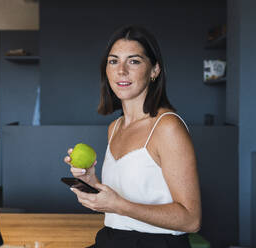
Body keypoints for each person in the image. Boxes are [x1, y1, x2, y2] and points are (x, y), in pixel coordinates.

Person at [64, 25, 201, 248]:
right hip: (113, 239)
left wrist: (119, 205)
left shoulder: (167, 127)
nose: (121, 71)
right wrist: (91, 182)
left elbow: (191, 220)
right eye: (114, 61)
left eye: (134, 61)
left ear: (154, 70)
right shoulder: (115, 127)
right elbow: (121, 204)